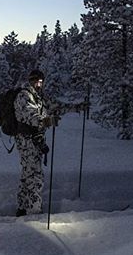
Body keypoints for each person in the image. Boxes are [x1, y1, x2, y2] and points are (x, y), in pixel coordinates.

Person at [13, 69, 86, 217]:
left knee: (28, 174)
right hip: (27, 142)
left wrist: (77, 107)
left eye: (41, 81)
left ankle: (22, 207)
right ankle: (34, 211)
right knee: (35, 176)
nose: (39, 84)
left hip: (35, 141)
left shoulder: (39, 97)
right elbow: (30, 115)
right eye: (36, 81)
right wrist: (46, 120)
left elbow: (57, 106)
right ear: (31, 81)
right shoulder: (24, 96)